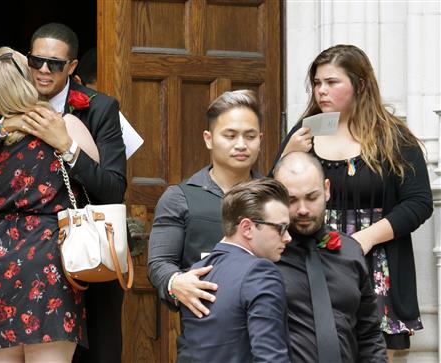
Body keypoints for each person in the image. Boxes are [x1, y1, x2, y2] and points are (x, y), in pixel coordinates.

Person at [0, 23, 127, 363]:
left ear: (72, 68)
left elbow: (112, 187)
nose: (43, 70)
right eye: (36, 61)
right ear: (27, 63)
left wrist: (67, 147)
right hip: (45, 253)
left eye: (54, 64)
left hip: (44, 249)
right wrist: (11, 123)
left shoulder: (96, 108)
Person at [271, 44, 433, 360]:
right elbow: (271, 200)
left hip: (375, 261)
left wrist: (363, 240)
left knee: (374, 351)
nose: (321, 91)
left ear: (359, 85)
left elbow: (418, 202)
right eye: (317, 83)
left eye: (332, 82)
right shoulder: (304, 133)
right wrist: (288, 153)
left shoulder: (393, 136)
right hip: (309, 259)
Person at [148, 89, 263, 360]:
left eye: (250, 136)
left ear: (261, 139)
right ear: (209, 139)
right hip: (204, 341)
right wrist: (176, 282)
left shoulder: (273, 198)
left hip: (266, 337)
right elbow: (159, 264)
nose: (241, 144)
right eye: (230, 135)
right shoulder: (180, 198)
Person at [273, 151, 387, 362]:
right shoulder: (264, 256)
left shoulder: (351, 253)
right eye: (291, 200)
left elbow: (370, 334)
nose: (303, 209)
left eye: (311, 197)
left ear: (326, 190)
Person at [180, 178, 292, 362]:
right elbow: (270, 357)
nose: (288, 237)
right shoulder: (260, 273)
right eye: (281, 228)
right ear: (247, 228)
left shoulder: (197, 272)